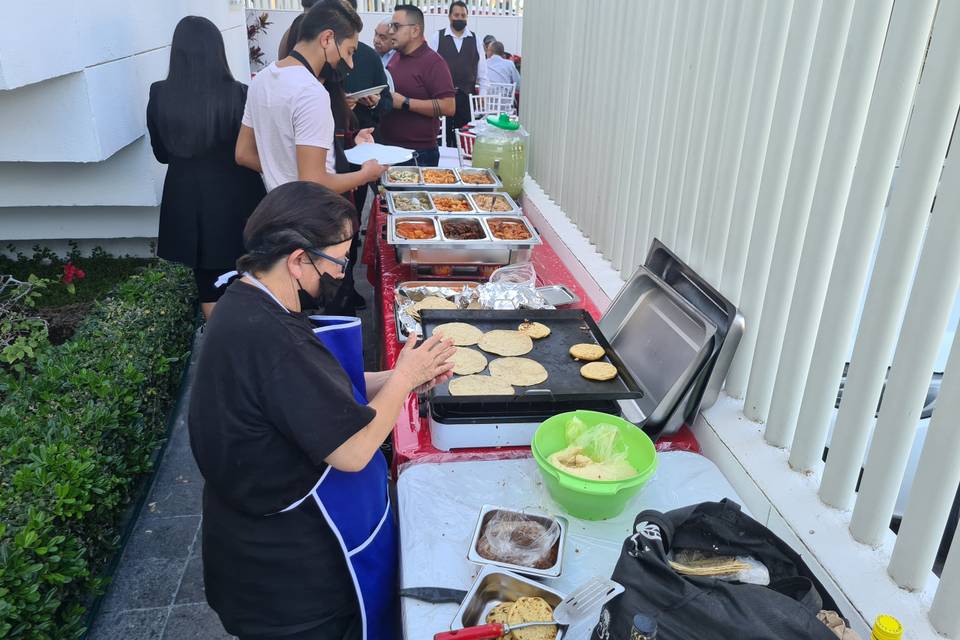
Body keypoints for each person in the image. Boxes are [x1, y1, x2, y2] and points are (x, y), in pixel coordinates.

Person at [190, 181, 456, 640]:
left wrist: (402, 378)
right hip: (285, 579)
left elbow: (323, 391)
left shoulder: (248, 300)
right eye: (337, 260)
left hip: (248, 545)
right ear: (297, 260)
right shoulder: (273, 340)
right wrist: (406, 379)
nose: (339, 273)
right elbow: (353, 450)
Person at [147, 16, 266, 320]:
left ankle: (221, 347)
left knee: (208, 284)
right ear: (218, 50)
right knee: (249, 276)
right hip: (238, 198)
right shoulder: (239, 93)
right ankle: (255, 342)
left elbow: (161, 154)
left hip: (188, 202)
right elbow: (251, 150)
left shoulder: (160, 93)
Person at [235, 0, 384, 194]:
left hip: (278, 204)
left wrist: (283, 174)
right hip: (313, 214)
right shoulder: (311, 92)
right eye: (349, 52)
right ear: (327, 39)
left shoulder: (261, 79)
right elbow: (313, 182)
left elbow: (244, 153)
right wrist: (365, 174)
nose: (350, 64)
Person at [379, 5, 456, 167]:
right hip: (388, 149)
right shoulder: (395, 57)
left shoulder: (434, 63)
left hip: (417, 155)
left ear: (415, 31)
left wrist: (405, 103)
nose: (391, 31)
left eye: (396, 26)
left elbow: (449, 106)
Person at [428, 1, 488, 146]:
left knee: (465, 137)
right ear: (449, 17)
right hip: (442, 96)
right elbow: (428, 66)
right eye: (456, 15)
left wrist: (483, 94)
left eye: (463, 15)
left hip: (467, 97)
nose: (460, 18)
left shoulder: (476, 39)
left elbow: (483, 71)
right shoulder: (438, 36)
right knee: (442, 136)